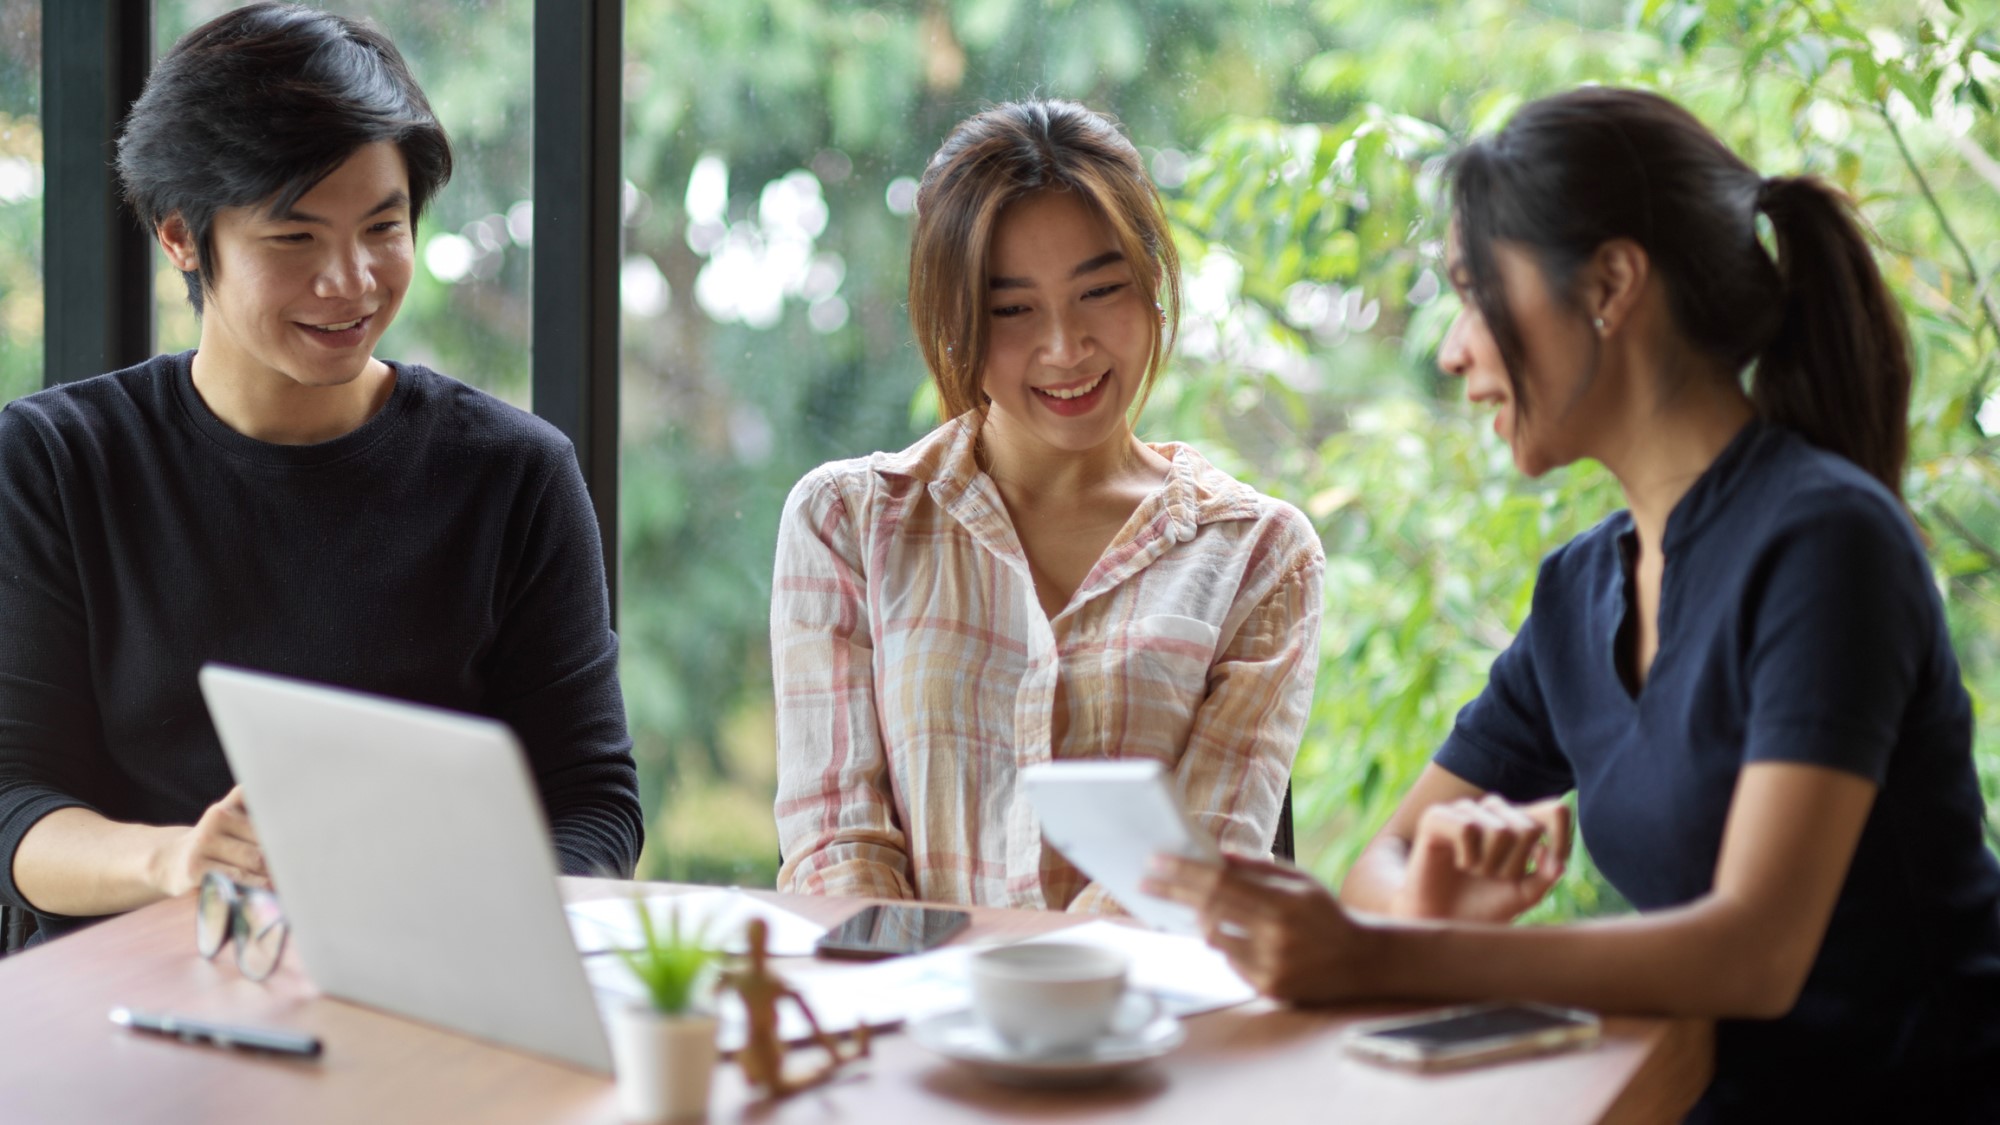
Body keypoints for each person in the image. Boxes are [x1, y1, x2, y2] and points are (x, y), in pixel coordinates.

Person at [1145, 87, 2000, 1122]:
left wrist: (1389, 956)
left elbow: (1754, 953)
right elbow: (1385, 860)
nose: (1454, 348)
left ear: (1607, 284)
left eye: (1473, 292)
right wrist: (1427, 908)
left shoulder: (1822, 540)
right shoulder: (1577, 593)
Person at [0, 3, 642, 945]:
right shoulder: (54, 460)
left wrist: (468, 929)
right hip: (119, 1002)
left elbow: (593, 804)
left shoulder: (516, 475)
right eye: (294, 240)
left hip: (423, 990)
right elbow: (12, 797)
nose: (350, 280)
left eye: (383, 227)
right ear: (183, 237)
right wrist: (180, 860)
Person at [771, 99, 1324, 911]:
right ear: (955, 318)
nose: (1066, 348)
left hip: (1144, 1025)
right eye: (1012, 309)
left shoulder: (1257, 552)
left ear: (1155, 287)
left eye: (1102, 291)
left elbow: (1194, 871)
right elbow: (838, 848)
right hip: (905, 1016)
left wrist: (1041, 1008)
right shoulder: (849, 522)